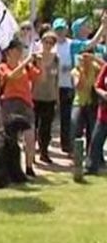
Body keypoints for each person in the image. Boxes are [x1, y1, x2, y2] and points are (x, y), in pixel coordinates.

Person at [0, 38, 42, 177]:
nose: (20, 52)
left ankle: (29, 167)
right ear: (10, 51)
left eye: (21, 49)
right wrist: (26, 62)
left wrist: (40, 62)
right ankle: (10, 168)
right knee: (10, 139)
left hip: (26, 104)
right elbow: (11, 76)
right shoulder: (3, 66)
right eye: (17, 49)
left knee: (30, 137)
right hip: (9, 104)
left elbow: (40, 77)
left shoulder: (27, 66)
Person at [32, 32, 60, 164]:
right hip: (35, 96)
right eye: (46, 42)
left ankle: (44, 152)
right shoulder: (35, 58)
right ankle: (31, 153)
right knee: (33, 126)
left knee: (46, 127)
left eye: (51, 43)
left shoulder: (56, 59)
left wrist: (57, 97)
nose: (48, 45)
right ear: (41, 42)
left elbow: (57, 79)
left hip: (50, 97)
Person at [70, 49, 103, 156]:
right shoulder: (76, 71)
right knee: (76, 129)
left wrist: (94, 59)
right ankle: (76, 155)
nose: (86, 60)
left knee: (93, 131)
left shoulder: (96, 68)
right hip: (79, 102)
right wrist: (82, 71)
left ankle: (92, 156)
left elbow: (105, 67)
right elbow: (78, 86)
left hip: (93, 103)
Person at [53, 18, 75, 153]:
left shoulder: (71, 44)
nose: (60, 32)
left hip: (68, 85)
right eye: (58, 29)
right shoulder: (50, 45)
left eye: (62, 29)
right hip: (52, 86)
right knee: (49, 117)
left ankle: (66, 144)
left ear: (67, 29)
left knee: (67, 117)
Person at [86, 62, 107, 174]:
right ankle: (91, 167)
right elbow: (97, 86)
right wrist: (103, 93)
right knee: (96, 142)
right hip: (104, 115)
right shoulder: (106, 67)